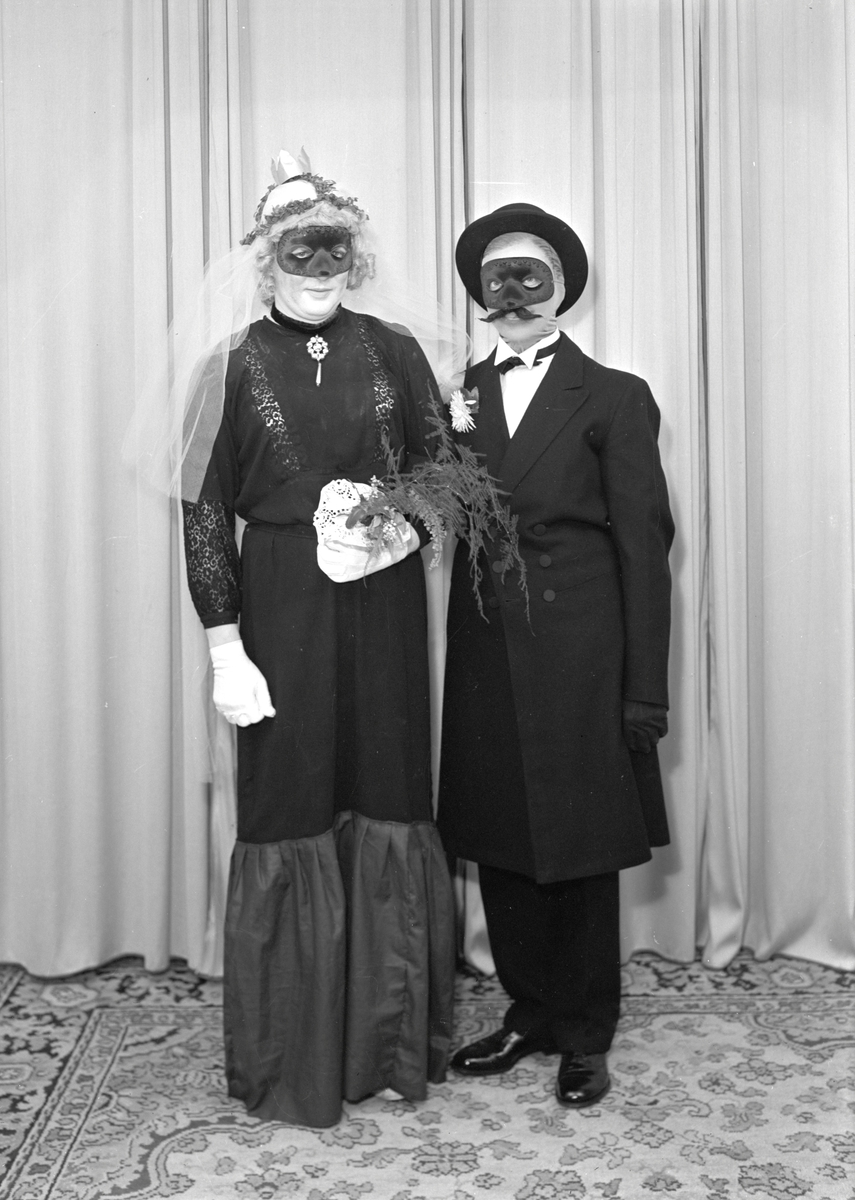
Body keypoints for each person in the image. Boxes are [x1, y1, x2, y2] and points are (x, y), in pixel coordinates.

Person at [178, 152, 456, 1128]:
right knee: (291, 799)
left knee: (386, 787)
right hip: (280, 605)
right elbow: (204, 514)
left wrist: (394, 529)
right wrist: (225, 647)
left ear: (356, 255)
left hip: (381, 604)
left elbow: (441, 472)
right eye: (300, 252)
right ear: (265, 259)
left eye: (334, 251)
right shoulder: (227, 366)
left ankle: (385, 1045)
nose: (319, 270)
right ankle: (291, 1057)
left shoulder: (395, 350)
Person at [437, 203, 674, 1107]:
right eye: (494, 278)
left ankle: (583, 1033)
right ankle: (528, 1012)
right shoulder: (456, 394)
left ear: (562, 288)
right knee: (500, 839)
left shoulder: (613, 394)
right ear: (479, 293)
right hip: (486, 650)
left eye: (528, 276)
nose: (511, 293)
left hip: (581, 656)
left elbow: (644, 550)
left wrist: (642, 689)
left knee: (577, 846)